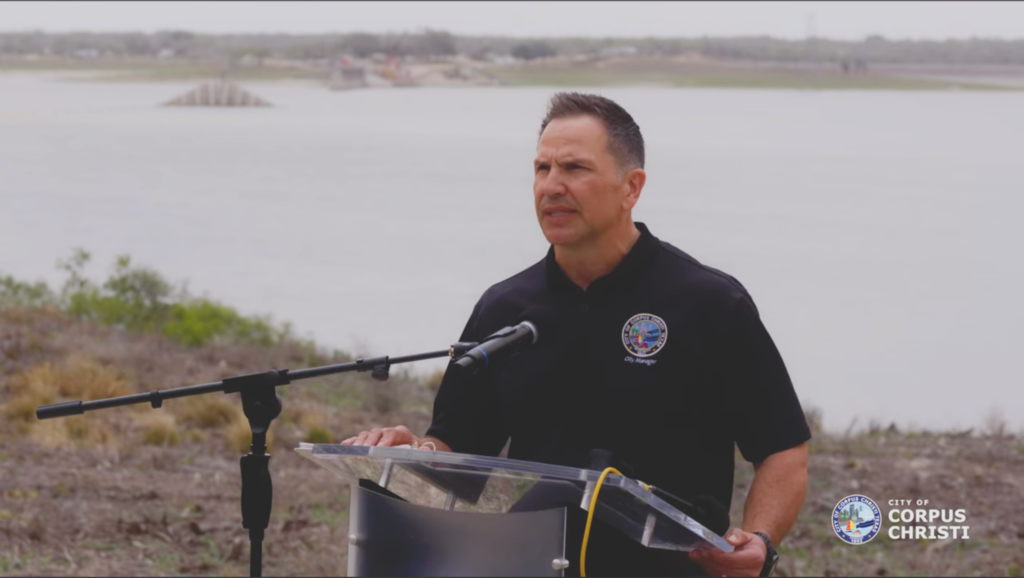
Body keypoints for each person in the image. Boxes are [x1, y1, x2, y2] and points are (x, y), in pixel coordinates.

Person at [342, 92, 810, 577]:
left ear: (631, 187)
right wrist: (410, 453)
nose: (551, 186)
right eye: (542, 169)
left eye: (574, 169)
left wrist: (759, 540)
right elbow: (456, 448)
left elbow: (782, 449)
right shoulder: (505, 306)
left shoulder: (709, 303)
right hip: (533, 565)